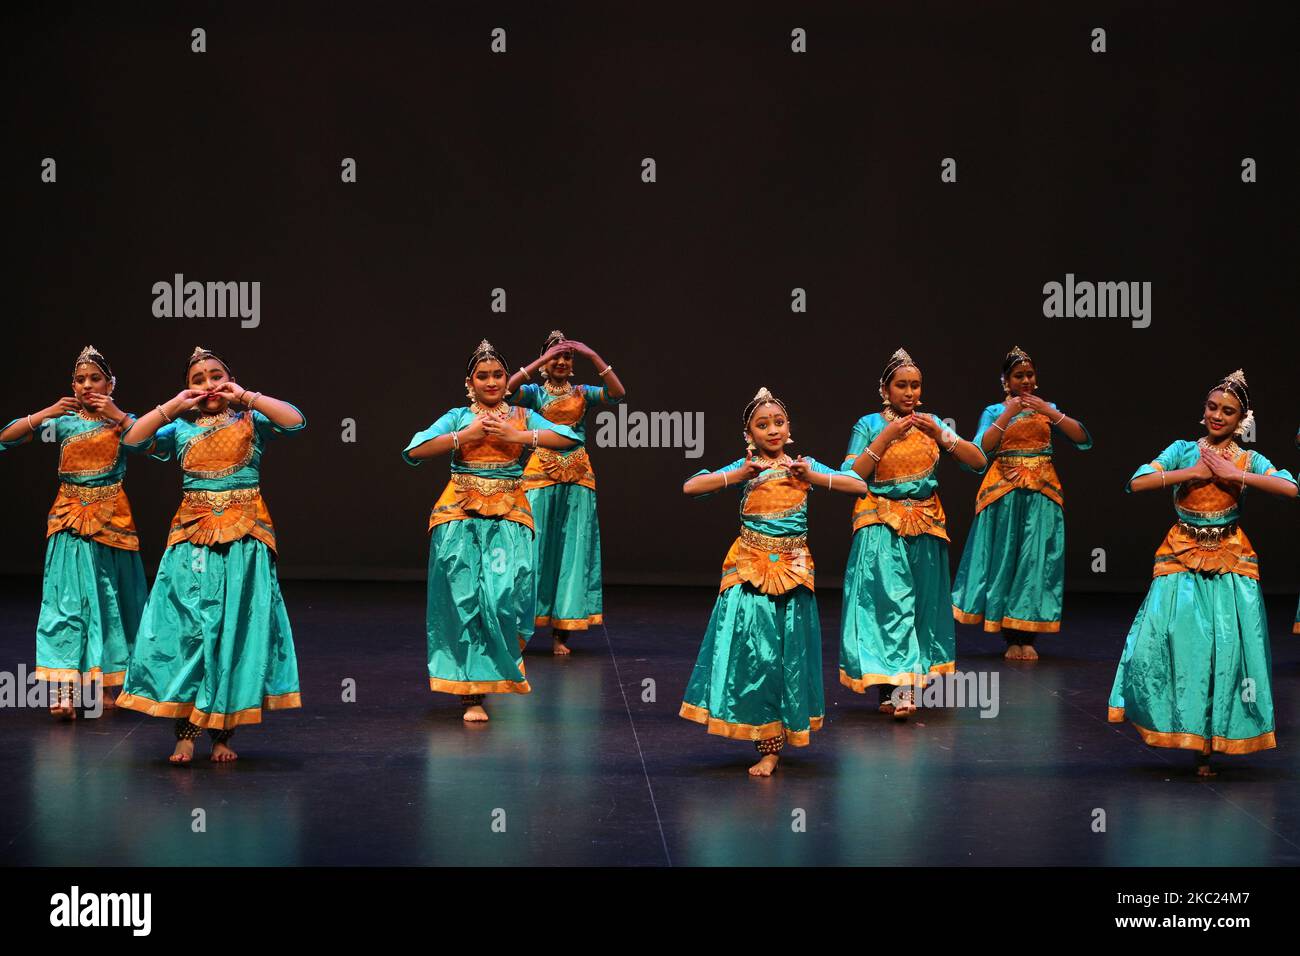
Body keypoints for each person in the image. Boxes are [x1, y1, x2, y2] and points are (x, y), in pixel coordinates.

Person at [116, 347, 305, 764]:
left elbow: (295, 421)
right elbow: (131, 440)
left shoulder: (251, 419)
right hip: (191, 536)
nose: (208, 385)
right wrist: (171, 406)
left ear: (230, 378)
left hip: (246, 535)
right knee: (187, 628)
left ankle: (223, 733)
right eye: (197, 379)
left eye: (215, 375)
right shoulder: (180, 429)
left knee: (234, 629)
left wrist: (246, 396)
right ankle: (185, 730)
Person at [1108, 370, 1296, 776]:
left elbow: (1291, 488)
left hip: (1230, 557)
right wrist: (1190, 473)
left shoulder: (1249, 459)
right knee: (1169, 643)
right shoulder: (1182, 449)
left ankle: (1209, 745)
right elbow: (1136, 483)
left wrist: (1235, 476)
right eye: (1212, 407)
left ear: (1241, 419)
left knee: (1225, 651)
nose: (1217, 416)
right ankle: (1183, 728)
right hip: (1180, 555)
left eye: (1228, 411)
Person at [680, 387, 868, 776]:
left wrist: (813, 475)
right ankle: (763, 739)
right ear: (748, 434)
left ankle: (774, 747)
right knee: (756, 659)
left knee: (788, 659)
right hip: (748, 569)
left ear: (790, 428)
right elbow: (691, 487)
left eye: (779, 422)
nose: (773, 430)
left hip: (794, 572)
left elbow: (859, 486)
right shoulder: (746, 467)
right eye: (762, 425)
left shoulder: (804, 466)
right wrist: (736, 475)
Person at [403, 339, 579, 722]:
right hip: (458, 515)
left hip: (510, 513)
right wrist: (461, 438)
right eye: (483, 376)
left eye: (498, 374)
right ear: (470, 381)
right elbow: (415, 450)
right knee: (463, 600)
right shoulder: (457, 417)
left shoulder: (520, 415)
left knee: (504, 597)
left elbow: (570, 438)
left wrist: (520, 437)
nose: (492, 382)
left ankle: (497, 663)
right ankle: (472, 693)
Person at [839, 348, 986, 718]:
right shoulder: (869, 424)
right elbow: (852, 476)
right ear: (885, 390)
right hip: (881, 523)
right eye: (901, 385)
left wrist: (943, 436)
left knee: (920, 605)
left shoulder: (931, 423)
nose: (909, 392)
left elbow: (978, 461)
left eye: (915, 385)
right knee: (890, 605)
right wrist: (886, 436)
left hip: (925, 523)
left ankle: (898, 688)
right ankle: (897, 690)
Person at [0, 346, 147, 718]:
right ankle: (65, 691)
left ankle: (111, 685)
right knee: (66, 602)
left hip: (111, 521)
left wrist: (118, 415)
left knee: (111, 601)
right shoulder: (62, 424)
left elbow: (150, 443)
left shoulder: (123, 422)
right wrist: (46, 413)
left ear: (111, 383)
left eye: (95, 378)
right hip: (68, 518)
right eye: (80, 379)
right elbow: (7, 437)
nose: (86, 385)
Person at [952, 346, 1092, 659]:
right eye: (1018, 376)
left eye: (1030, 375)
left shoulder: (1048, 408)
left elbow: (1083, 439)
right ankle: (1009, 637)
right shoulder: (993, 411)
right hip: (1004, 491)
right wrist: (1008, 414)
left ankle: (1026, 637)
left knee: (1035, 563)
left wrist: (1050, 412)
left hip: (1042, 491)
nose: (1026, 380)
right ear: (1006, 381)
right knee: (1005, 561)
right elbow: (980, 450)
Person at [506, 330, 625, 654]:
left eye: (566, 356)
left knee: (572, 552)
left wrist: (592, 355)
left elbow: (617, 393)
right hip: (540, 476)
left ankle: (562, 632)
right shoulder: (533, 394)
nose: (560, 361)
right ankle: (520, 629)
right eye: (554, 355)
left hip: (578, 476)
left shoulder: (583, 393)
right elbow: (506, 389)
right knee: (533, 551)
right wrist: (540, 361)